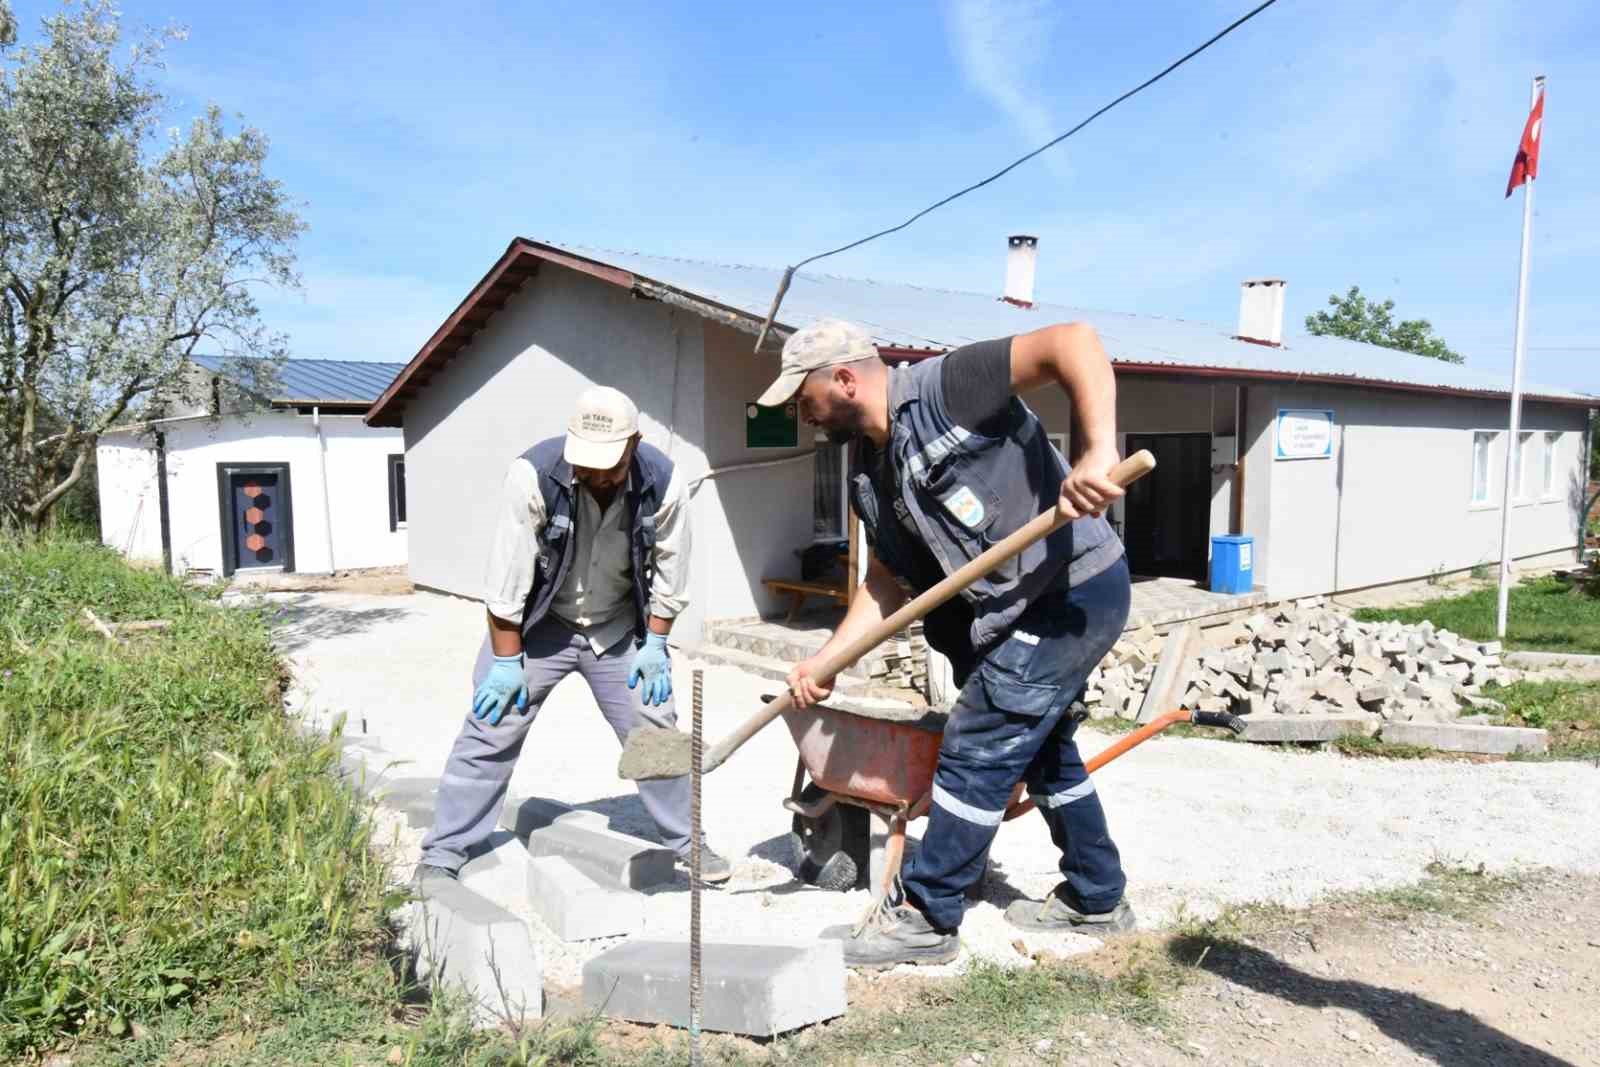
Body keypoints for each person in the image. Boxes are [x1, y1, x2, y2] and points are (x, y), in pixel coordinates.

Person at [758, 319, 1134, 968]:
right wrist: (827, 661)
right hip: (1012, 611)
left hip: (1072, 589)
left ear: (843, 380)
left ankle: (928, 916)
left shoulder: (950, 386)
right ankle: (1097, 895)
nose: (801, 413)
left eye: (803, 398)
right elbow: (884, 583)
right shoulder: (871, 474)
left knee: (977, 741)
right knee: (1043, 750)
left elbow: (1073, 341)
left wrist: (1097, 452)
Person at [415, 386, 732, 886]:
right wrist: (507, 662)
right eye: (588, 464)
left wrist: (655, 644)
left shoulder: (664, 482)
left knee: (654, 725)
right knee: (491, 722)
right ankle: (445, 849)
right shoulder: (533, 476)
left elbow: (673, 576)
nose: (598, 476)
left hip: (616, 628)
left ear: (634, 444)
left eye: (610, 465)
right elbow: (506, 584)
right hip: (541, 625)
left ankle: (688, 842)